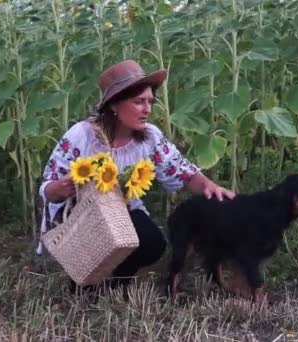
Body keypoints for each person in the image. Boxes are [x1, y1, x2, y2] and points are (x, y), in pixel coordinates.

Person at [36, 59, 235, 289]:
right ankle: (84, 280)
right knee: (101, 237)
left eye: (150, 101)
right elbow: (49, 187)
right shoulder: (82, 135)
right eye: (139, 102)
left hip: (123, 208)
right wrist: (59, 189)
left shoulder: (149, 137)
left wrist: (212, 188)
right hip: (81, 214)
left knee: (152, 243)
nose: (147, 109)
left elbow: (182, 171)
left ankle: (117, 282)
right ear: (114, 105)